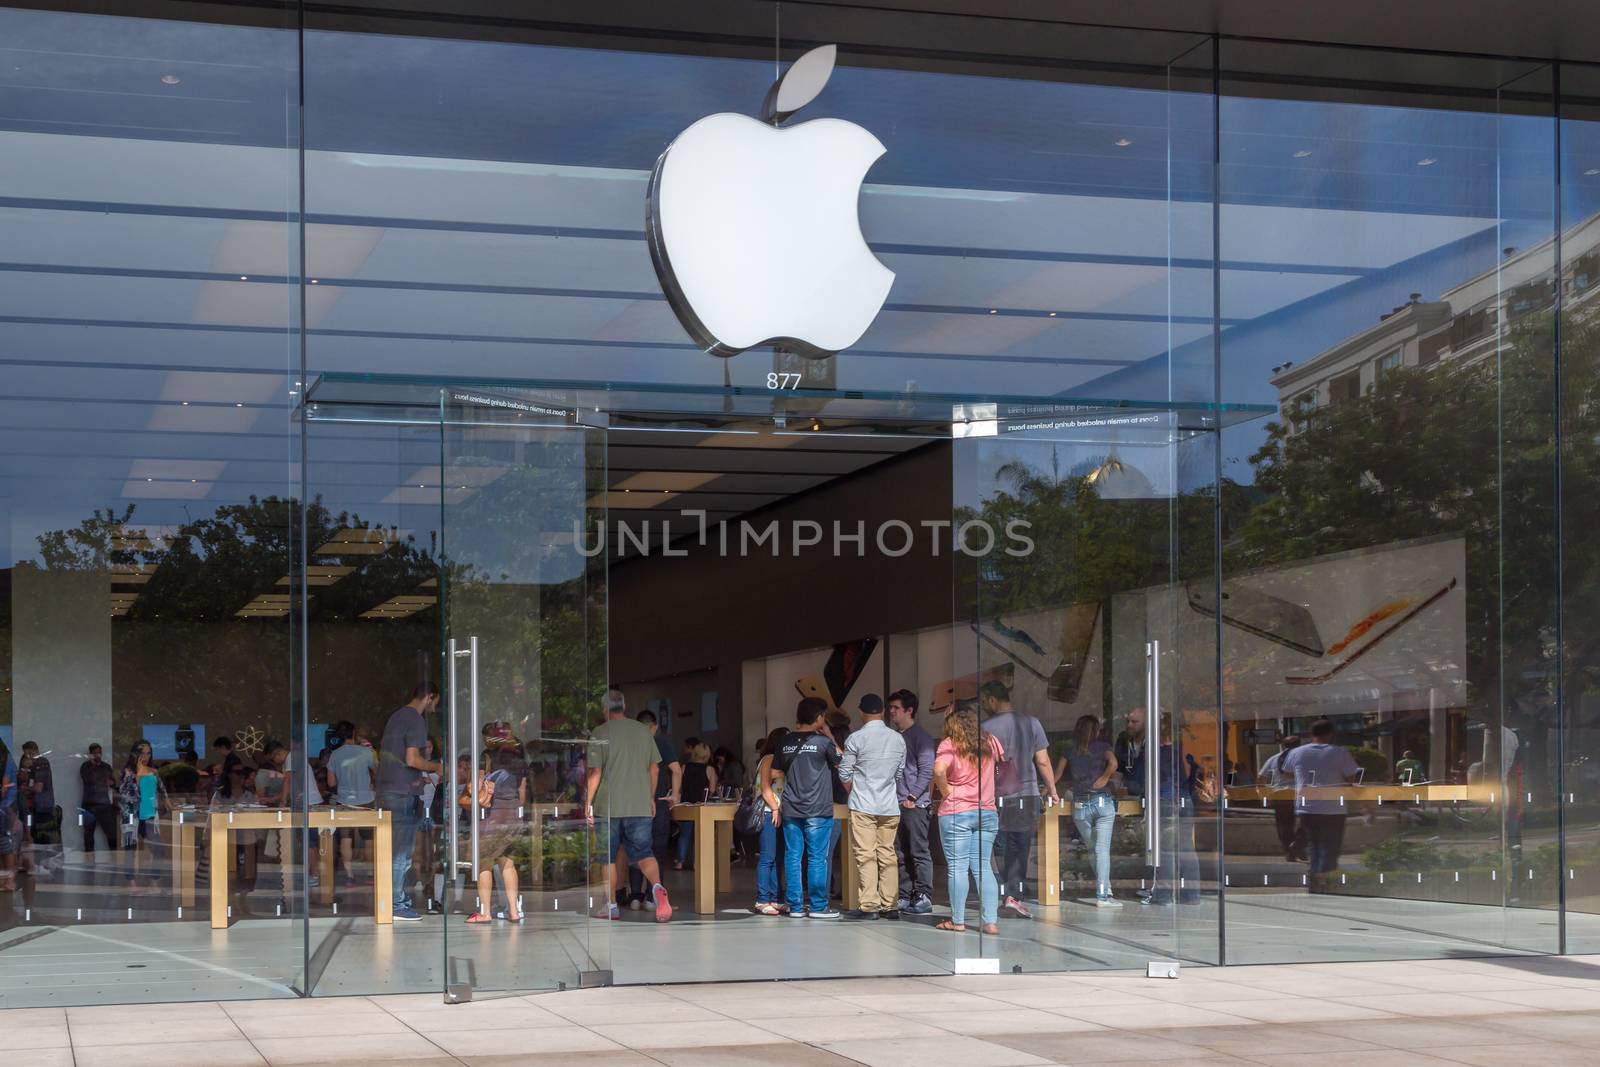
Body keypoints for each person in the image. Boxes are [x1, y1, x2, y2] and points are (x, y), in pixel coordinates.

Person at [586, 687, 672, 922]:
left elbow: (595, 772)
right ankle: (656, 887)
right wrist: (650, 797)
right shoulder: (643, 731)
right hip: (639, 805)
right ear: (624, 707)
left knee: (608, 858)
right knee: (644, 852)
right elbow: (654, 769)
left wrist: (588, 802)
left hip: (609, 805)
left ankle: (611, 905)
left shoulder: (600, 732)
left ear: (605, 709)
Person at [980, 681, 1058, 917]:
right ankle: (1013, 894)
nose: (984, 706)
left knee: (1001, 847)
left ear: (992, 700)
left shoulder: (985, 727)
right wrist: (1052, 789)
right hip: (1028, 793)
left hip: (998, 795)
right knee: (1021, 846)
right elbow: (1042, 760)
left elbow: (981, 765)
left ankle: (1006, 892)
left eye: (984, 702)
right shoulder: (1032, 723)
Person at [770, 697, 842, 919]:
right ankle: (819, 907)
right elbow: (842, 763)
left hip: (791, 808)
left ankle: (795, 907)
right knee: (816, 857)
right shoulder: (823, 743)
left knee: (793, 856)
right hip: (818, 809)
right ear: (819, 718)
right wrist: (829, 735)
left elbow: (774, 774)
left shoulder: (785, 741)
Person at [933, 706, 1003, 934]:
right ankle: (990, 921)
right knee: (983, 868)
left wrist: (946, 793)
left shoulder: (950, 743)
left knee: (957, 868)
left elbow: (939, 770)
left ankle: (958, 920)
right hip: (987, 811)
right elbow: (1003, 762)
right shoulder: (990, 741)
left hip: (957, 812)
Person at [376, 682, 442, 921]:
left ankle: (386, 901)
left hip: (386, 790)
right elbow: (413, 759)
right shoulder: (415, 719)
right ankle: (396, 904)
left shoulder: (396, 716)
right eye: (435, 702)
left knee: (389, 850)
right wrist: (437, 767)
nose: (435, 708)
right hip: (403, 792)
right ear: (429, 697)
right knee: (401, 853)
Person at [839, 693, 907, 921]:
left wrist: (855, 791)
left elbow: (844, 772)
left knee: (866, 855)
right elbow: (899, 773)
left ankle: (869, 906)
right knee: (888, 854)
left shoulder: (855, 739)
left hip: (863, 805)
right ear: (883, 712)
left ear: (861, 712)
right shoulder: (898, 739)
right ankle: (891, 905)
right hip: (889, 806)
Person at [1140, 715, 1208, 906]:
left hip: (1166, 800)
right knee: (1186, 848)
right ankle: (1192, 896)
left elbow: (1141, 777)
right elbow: (1191, 772)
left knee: (1166, 851)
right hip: (1185, 799)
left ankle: (1163, 896)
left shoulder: (1155, 751)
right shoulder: (1183, 749)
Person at [1281, 718, 1360, 881]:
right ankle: (1326, 882)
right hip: (1333, 808)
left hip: (1307, 807)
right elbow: (1352, 776)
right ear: (1331, 734)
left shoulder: (1297, 752)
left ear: (1311, 734)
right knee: (1330, 848)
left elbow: (1287, 772)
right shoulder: (1339, 752)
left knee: (1314, 846)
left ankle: (1315, 880)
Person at [1063, 715, 1121, 907]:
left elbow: (1056, 773)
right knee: (1101, 850)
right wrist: (1105, 778)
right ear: (1096, 730)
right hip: (1102, 802)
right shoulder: (1103, 746)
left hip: (1080, 805)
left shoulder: (1070, 749)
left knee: (1093, 849)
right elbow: (1114, 763)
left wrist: (1050, 791)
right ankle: (1103, 895)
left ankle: (1106, 889)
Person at [465, 744, 527, 924]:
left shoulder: (490, 776)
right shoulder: (517, 776)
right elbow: (521, 799)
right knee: (508, 865)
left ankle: (485, 912)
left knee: (484, 863)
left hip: (493, 821)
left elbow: (475, 795)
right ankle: (514, 911)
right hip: (513, 820)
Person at [628, 708, 681, 911]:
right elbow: (676, 771)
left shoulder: (630, 744)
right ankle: (652, 898)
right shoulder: (661, 744)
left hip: (634, 804)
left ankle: (634, 897)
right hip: (658, 802)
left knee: (637, 850)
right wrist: (674, 795)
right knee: (657, 851)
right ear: (655, 726)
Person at [890, 689, 935, 915]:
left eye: (896, 708)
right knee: (901, 852)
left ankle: (924, 895)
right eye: (891, 708)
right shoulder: (896, 736)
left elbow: (927, 770)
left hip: (914, 804)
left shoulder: (920, 737)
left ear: (909, 710)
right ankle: (905, 895)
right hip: (898, 803)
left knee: (918, 851)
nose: (892, 712)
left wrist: (912, 797)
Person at [326, 721, 377, 888]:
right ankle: (370, 874)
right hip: (367, 799)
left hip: (344, 800)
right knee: (369, 838)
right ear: (353, 732)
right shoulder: (367, 752)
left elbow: (331, 782)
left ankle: (349, 876)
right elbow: (378, 772)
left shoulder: (334, 755)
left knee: (345, 838)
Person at [118, 739, 168, 888]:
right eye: (142, 753)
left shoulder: (153, 771)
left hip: (149, 814)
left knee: (158, 848)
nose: (145, 756)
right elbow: (125, 793)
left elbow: (162, 790)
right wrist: (138, 774)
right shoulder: (128, 771)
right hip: (131, 814)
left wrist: (168, 803)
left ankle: (154, 881)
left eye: (148, 753)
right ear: (135, 754)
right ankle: (132, 883)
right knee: (130, 849)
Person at [753, 726, 790, 915]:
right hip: (769, 812)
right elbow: (766, 787)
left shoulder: (778, 760)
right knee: (768, 857)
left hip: (777, 812)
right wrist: (775, 808)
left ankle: (776, 898)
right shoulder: (768, 759)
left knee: (778, 858)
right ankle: (762, 899)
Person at [1259, 735, 1307, 862]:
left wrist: (1264, 795)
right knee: (1308, 821)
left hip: (1280, 795)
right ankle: (1298, 845)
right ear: (1299, 745)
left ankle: (1289, 851)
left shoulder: (1274, 758)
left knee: (1284, 825)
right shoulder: (1304, 758)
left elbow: (1261, 777)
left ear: (1283, 745)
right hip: (1300, 794)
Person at [673, 741, 718, 869]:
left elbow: (679, 786)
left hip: (687, 805)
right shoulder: (710, 769)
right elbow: (712, 789)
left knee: (684, 834)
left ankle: (680, 862)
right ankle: (696, 862)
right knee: (700, 835)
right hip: (702, 806)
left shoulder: (684, 767)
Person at [80, 743, 120, 855]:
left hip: (104, 805)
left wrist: (109, 782)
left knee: (112, 834)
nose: (98, 755)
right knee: (88, 836)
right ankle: (89, 860)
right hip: (89, 805)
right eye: (95, 753)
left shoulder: (106, 767)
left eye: (99, 752)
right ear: (90, 754)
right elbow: (90, 781)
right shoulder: (85, 767)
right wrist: (104, 781)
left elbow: (113, 783)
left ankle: (115, 857)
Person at [1115, 705, 1147, 796]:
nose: (1129, 725)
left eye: (1134, 722)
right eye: (1128, 721)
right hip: (1129, 795)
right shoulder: (1123, 739)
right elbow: (1118, 771)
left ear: (1146, 723)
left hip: (1152, 795)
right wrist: (1115, 790)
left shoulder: (1154, 741)